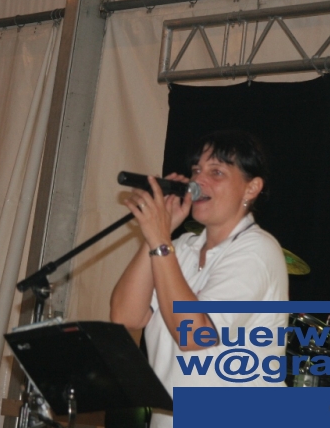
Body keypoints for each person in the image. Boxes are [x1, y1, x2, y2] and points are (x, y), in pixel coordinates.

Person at [110, 130, 288, 428]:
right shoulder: (178, 249)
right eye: (196, 170)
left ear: (251, 188)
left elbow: (194, 335)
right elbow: (125, 317)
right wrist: (157, 234)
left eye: (216, 172)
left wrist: (160, 240)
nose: (198, 181)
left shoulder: (257, 249)